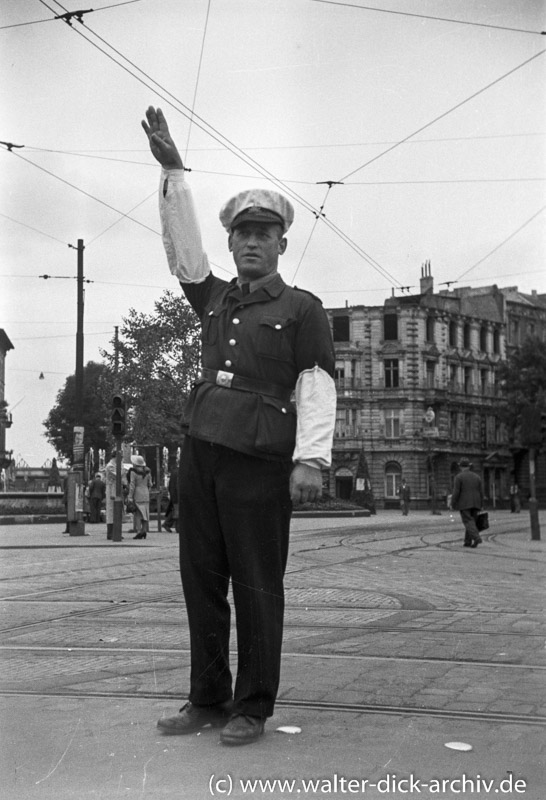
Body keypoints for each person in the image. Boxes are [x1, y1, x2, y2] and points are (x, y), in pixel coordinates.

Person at [142, 106, 336, 746]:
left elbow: (316, 387)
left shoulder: (304, 310)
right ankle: (207, 698)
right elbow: (183, 252)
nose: (252, 242)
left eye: (264, 233)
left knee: (256, 585)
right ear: (232, 243)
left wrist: (311, 460)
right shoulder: (216, 297)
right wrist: (173, 173)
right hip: (203, 452)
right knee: (200, 578)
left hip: (261, 458)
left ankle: (252, 705)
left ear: (282, 242)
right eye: (242, 234)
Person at [450, 457, 484, 548]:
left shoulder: (459, 477)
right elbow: (481, 492)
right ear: (469, 466)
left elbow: (456, 492)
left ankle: (476, 538)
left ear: (460, 467)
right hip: (476, 503)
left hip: (465, 503)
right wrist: (482, 504)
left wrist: (453, 504)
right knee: (472, 521)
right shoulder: (477, 477)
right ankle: (467, 541)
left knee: (468, 521)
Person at [128, 455, 152, 539]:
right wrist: (147, 490)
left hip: (137, 493)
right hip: (145, 492)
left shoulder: (133, 472)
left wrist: (130, 496)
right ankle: (144, 530)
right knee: (145, 513)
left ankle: (138, 531)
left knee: (138, 514)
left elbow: (132, 485)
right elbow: (150, 484)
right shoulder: (148, 471)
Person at [104, 452, 127, 541]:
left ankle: (116, 531)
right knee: (111, 510)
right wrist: (123, 470)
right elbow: (118, 475)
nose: (121, 459)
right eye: (120, 457)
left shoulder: (118, 464)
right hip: (111, 489)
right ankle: (110, 533)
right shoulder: (110, 465)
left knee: (118, 510)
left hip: (117, 488)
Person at [163, 461, 178, 533]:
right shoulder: (178, 473)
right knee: (177, 511)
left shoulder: (174, 473)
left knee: (175, 510)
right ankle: (177, 526)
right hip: (177, 495)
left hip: (174, 494)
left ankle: (167, 523)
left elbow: (171, 485)